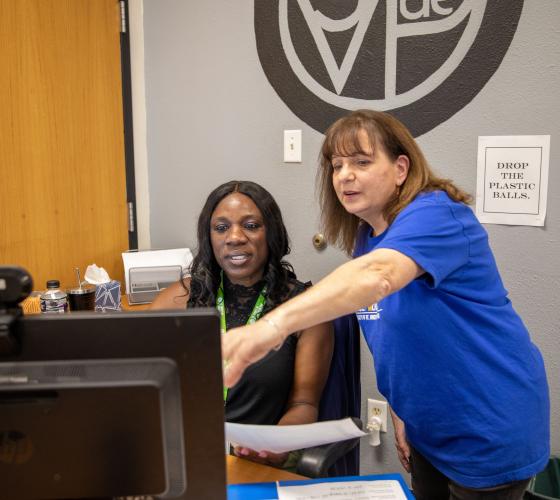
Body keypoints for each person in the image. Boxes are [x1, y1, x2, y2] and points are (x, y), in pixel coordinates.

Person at [221, 110, 550, 499]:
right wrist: (400, 412)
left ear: (400, 168)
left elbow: (377, 276)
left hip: (486, 422)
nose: (345, 175)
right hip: (429, 429)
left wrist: (268, 329)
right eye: (337, 165)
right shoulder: (368, 235)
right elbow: (392, 338)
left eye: (361, 162)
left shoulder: (436, 213)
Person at [151, 180, 333, 469]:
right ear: (209, 237)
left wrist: (275, 444)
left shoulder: (305, 309)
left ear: (271, 234)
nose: (234, 237)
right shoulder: (177, 299)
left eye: (250, 225)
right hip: (185, 458)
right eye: (221, 228)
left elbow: (304, 405)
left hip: (256, 462)